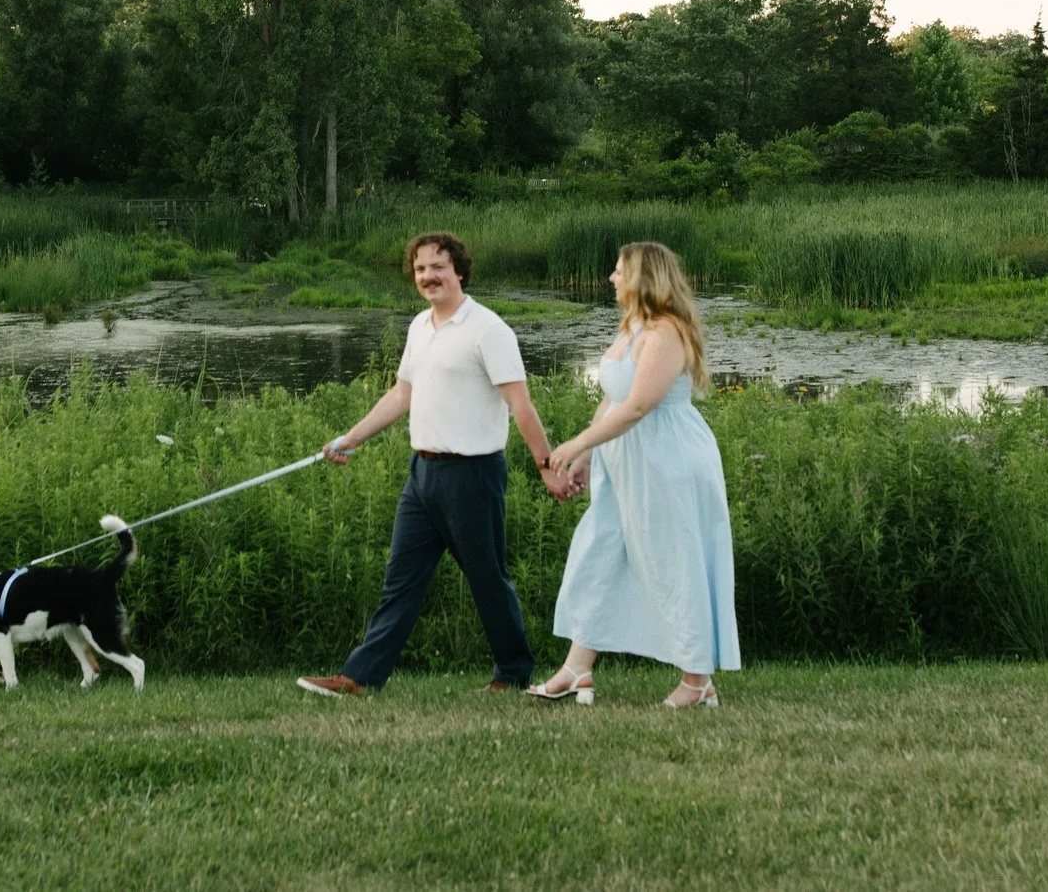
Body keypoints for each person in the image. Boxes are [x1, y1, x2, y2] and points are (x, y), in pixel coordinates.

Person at [295, 231, 571, 698]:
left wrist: (546, 465)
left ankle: (515, 671)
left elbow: (521, 407)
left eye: (438, 267)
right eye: (421, 268)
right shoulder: (420, 327)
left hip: (473, 476)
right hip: (422, 475)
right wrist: (351, 437)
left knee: (488, 579)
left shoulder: (489, 330)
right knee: (400, 581)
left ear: (459, 270)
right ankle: (360, 677)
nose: (428, 276)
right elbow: (402, 394)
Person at [530, 240, 739, 708]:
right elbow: (614, 397)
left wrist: (580, 443)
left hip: (667, 458)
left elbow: (642, 405)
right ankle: (576, 668)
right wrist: (588, 452)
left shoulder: (666, 332)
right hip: (624, 459)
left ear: (644, 276)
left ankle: (697, 679)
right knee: (601, 549)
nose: (611, 278)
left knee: (672, 558)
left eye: (619, 271)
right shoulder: (632, 327)